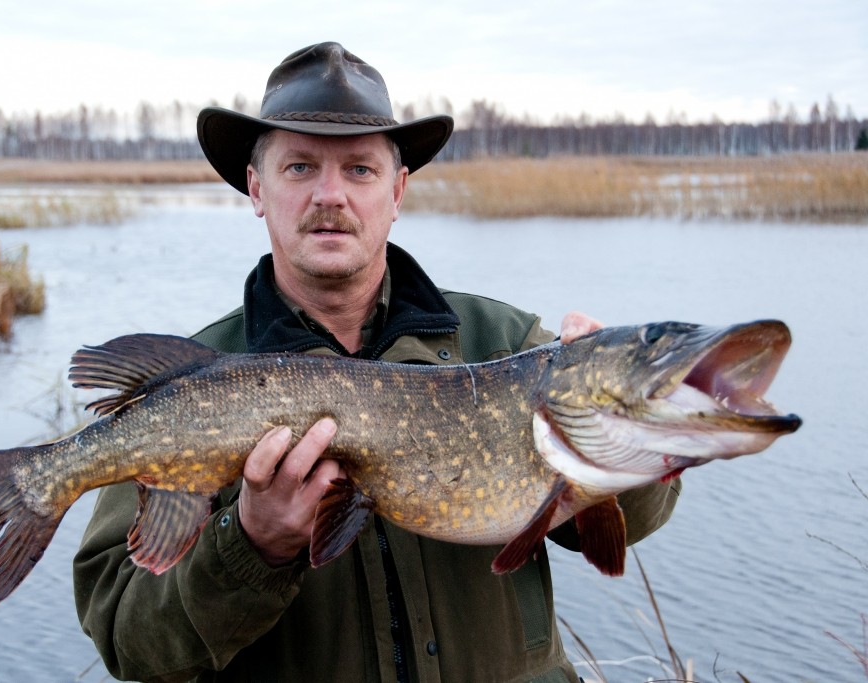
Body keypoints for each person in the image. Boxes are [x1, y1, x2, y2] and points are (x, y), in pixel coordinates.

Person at [73, 42, 681, 683]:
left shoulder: (506, 344)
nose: (330, 195)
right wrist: (251, 547)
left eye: (360, 170)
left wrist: (623, 431)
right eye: (300, 167)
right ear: (257, 187)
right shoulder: (193, 387)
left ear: (397, 191)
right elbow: (131, 645)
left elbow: (622, 527)